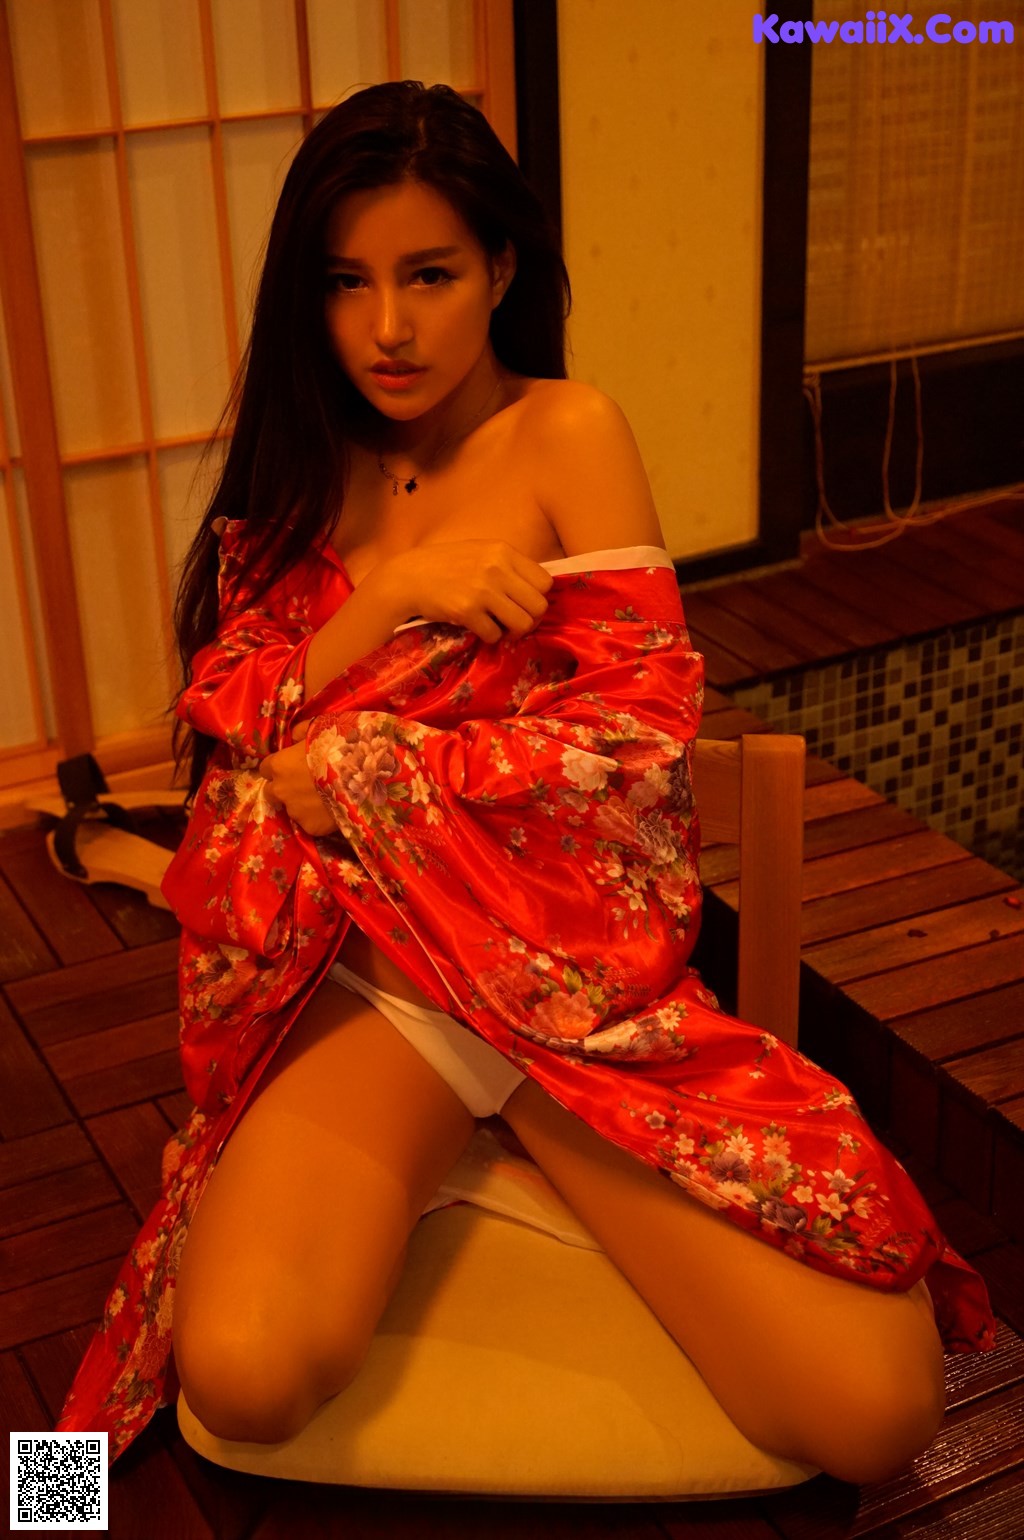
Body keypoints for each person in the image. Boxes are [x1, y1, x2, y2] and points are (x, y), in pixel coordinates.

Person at [57, 80, 993, 1481]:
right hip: (373, 991)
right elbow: (241, 735)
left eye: (428, 275)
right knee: (241, 1376)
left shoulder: (570, 434)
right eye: (346, 282)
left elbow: (633, 749)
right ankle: (49, 1502)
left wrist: (361, 765)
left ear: (500, 268)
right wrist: (398, 596)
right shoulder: (309, 461)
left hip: (567, 991)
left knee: (880, 1413)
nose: (387, 327)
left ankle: (499, 1157)